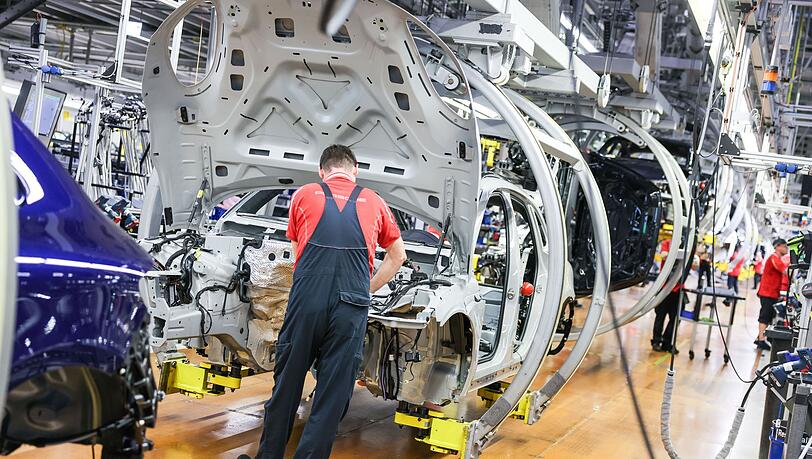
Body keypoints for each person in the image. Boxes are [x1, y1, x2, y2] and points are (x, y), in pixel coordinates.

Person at [254, 145, 407, 459]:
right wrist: (366, 288)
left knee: (288, 383)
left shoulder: (304, 194)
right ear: (355, 171)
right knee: (332, 393)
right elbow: (398, 256)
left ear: (321, 172)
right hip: (351, 304)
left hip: (307, 300)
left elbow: (298, 255)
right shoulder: (376, 201)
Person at [755, 238, 789, 351]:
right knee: (765, 316)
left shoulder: (776, 258)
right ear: (778, 246)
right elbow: (783, 269)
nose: (786, 249)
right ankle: (761, 340)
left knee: (769, 316)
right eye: (785, 246)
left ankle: (760, 337)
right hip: (767, 293)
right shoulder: (774, 258)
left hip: (772, 293)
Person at [652, 283, 682, 353]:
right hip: (664, 289)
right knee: (660, 316)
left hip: (677, 291)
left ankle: (667, 343)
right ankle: (656, 341)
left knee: (675, 319)